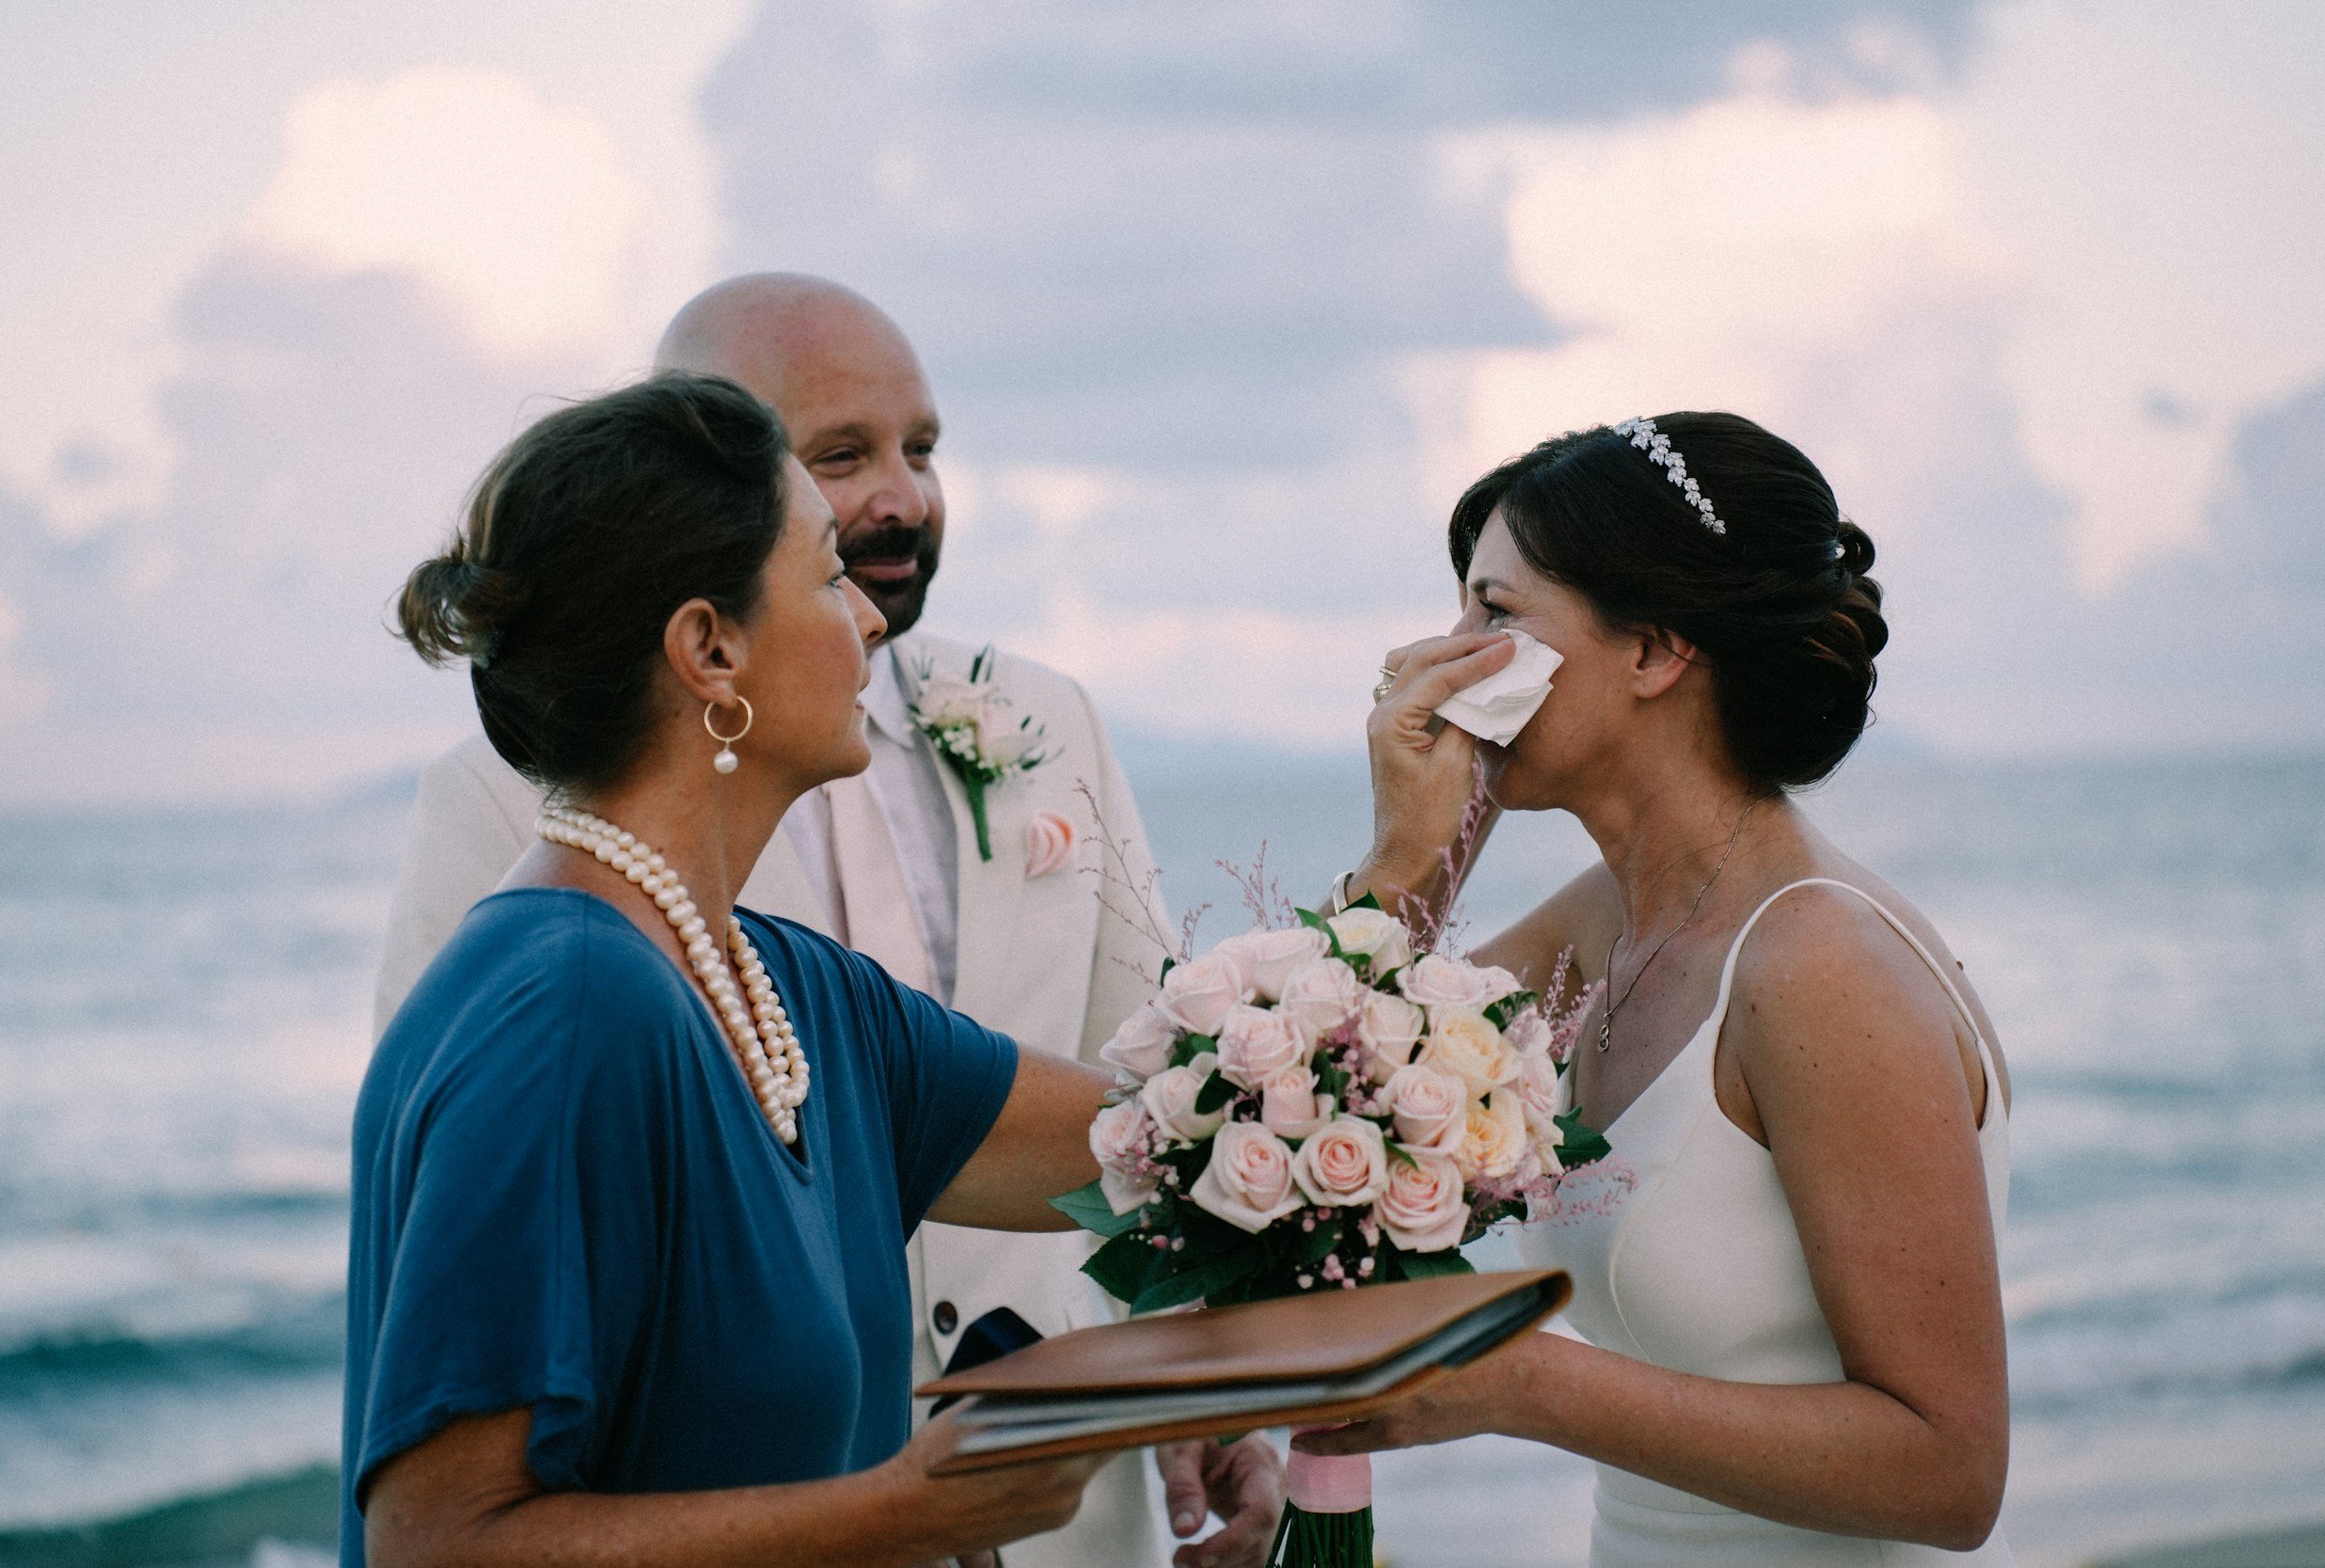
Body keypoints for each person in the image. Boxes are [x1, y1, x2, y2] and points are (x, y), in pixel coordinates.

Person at [348, 374, 1276, 1568]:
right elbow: (439, 1545)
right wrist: (912, 1509)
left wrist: (1420, 974)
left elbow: (1177, 1141)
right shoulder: (566, 1009)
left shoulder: (793, 990)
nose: (874, 622)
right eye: (830, 575)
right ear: (710, 647)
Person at [1297, 414, 2017, 1564]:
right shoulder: (1604, 925)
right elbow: (1314, 1112)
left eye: (1495, 612)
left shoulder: (1814, 964)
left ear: (1652, 650)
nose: (1432, 658)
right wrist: (1411, 858)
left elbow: (1951, 1470)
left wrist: (1517, 1380)